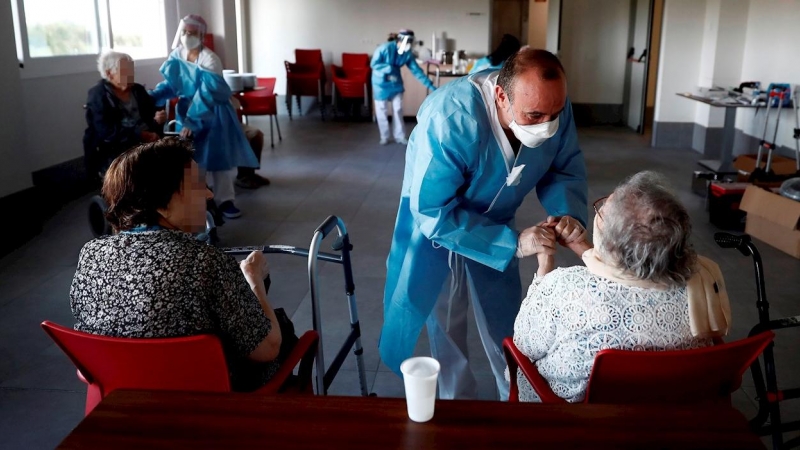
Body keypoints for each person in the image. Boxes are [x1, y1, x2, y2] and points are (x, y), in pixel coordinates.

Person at [380, 48, 588, 400]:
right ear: (501, 96)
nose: (547, 126)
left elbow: (563, 164)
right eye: (534, 116)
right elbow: (432, 210)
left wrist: (567, 213)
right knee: (446, 323)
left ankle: (513, 398)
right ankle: (454, 405)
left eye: (554, 114)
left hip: (498, 221)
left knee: (507, 327)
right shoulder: (450, 120)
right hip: (440, 229)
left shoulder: (549, 100)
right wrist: (511, 244)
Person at [70, 138, 282, 391]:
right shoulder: (205, 262)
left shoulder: (90, 255)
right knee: (281, 330)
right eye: (195, 185)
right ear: (161, 203)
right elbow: (267, 350)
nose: (209, 193)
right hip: (205, 405)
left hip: (123, 399)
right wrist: (253, 278)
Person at [512, 171, 730, 402]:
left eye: (602, 211)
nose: (599, 212)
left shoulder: (565, 287)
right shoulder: (703, 283)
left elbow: (525, 344)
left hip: (580, 418)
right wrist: (583, 248)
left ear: (614, 247)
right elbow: (632, 275)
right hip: (671, 410)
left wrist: (545, 266)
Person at [149, 14, 258, 219]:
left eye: (192, 32)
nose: (187, 36)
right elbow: (172, 84)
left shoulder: (209, 59)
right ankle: (200, 201)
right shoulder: (177, 56)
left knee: (219, 158)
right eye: (184, 32)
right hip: (188, 112)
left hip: (215, 112)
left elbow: (207, 93)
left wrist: (193, 120)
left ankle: (225, 200)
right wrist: (151, 98)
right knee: (192, 159)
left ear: (201, 35)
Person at [83, 51, 166, 181]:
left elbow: (151, 116)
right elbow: (107, 132)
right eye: (125, 71)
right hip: (116, 149)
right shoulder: (98, 96)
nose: (130, 75)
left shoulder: (138, 90)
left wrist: (158, 119)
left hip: (145, 144)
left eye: (131, 70)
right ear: (110, 73)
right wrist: (141, 135)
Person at [370, 29, 437, 145]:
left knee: (398, 109)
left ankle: (400, 136)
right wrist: (388, 68)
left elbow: (417, 72)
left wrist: (431, 86)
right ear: (400, 40)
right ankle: (384, 136)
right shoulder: (384, 48)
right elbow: (374, 64)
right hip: (380, 83)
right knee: (382, 110)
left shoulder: (407, 54)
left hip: (395, 82)